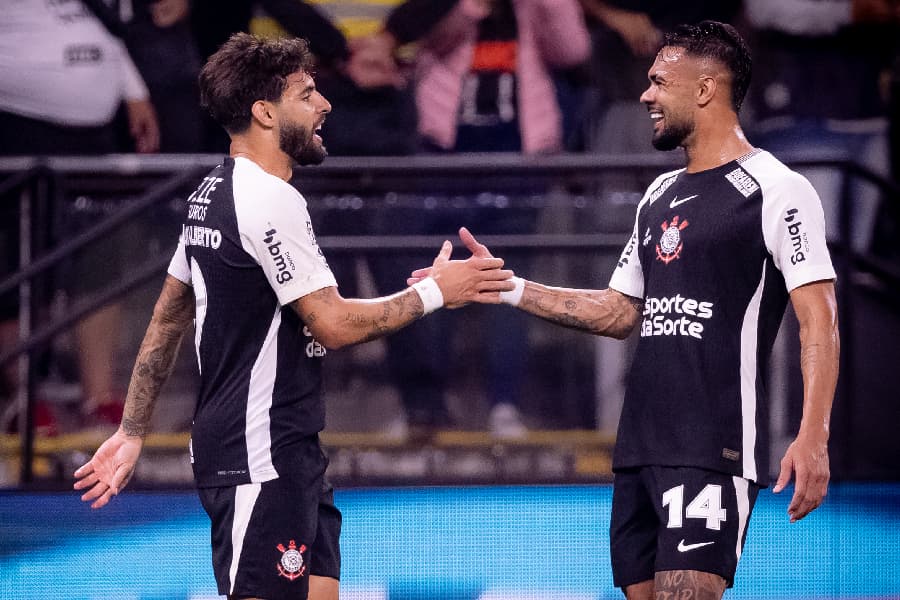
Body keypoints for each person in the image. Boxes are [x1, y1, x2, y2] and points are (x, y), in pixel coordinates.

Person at [73, 33, 513, 600]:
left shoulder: (212, 191)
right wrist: (437, 296)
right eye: (307, 94)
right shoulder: (270, 201)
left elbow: (166, 318)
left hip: (290, 450)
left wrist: (134, 431)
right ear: (264, 112)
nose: (325, 104)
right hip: (257, 457)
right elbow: (331, 324)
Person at [413, 21, 840, 599]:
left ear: (706, 88)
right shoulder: (658, 195)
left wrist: (813, 434)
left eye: (660, 82)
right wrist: (502, 286)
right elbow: (617, 313)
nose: (646, 96)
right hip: (638, 447)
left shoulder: (779, 190)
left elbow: (820, 318)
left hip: (711, 447)